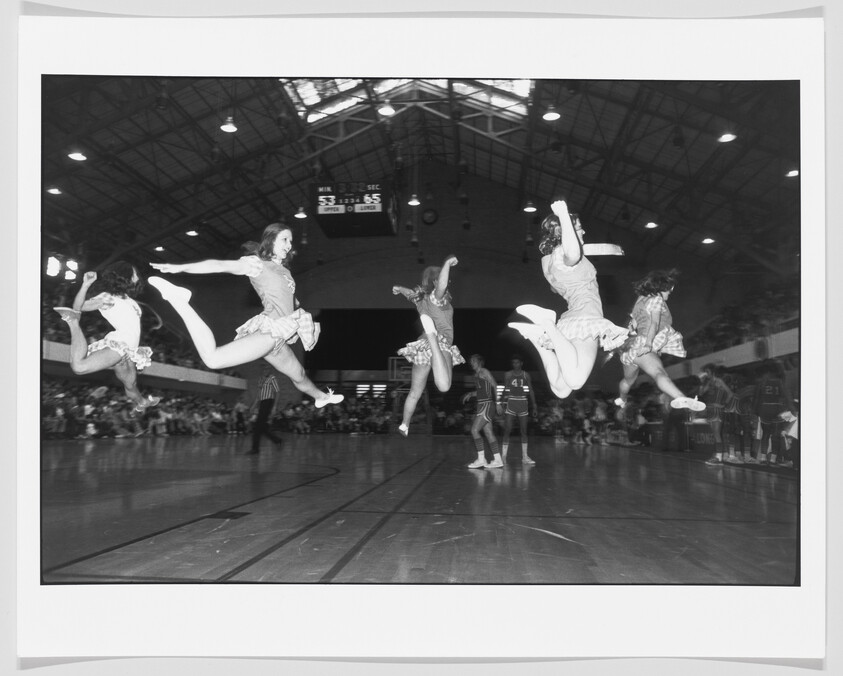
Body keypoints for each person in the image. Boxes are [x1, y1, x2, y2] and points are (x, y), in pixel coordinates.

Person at [148, 222, 343, 409]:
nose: (289, 245)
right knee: (213, 359)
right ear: (271, 240)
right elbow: (219, 265)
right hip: (270, 331)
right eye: (285, 239)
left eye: (291, 241)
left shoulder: (284, 271)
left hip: (279, 337)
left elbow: (286, 300)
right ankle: (179, 300)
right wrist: (182, 268)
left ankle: (321, 397)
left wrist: (298, 312)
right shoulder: (257, 264)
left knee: (299, 374)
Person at [508, 200, 628, 399]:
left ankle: (538, 336)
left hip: (574, 320)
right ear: (564, 233)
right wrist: (563, 214)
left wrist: (602, 249)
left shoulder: (551, 261)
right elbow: (572, 252)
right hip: (587, 319)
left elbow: (571, 255)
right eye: (578, 229)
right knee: (575, 381)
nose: (583, 232)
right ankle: (547, 323)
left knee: (561, 390)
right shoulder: (565, 256)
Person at [53, 263, 160, 413]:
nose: (137, 277)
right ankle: (73, 323)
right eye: (134, 273)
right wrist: (86, 285)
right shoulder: (108, 297)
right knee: (79, 367)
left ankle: (141, 402)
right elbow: (80, 306)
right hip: (120, 343)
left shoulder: (131, 301)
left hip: (129, 349)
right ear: (124, 275)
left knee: (130, 384)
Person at [392, 255, 465, 437]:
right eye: (444, 278)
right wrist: (447, 263)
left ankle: (405, 424)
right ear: (436, 280)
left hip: (421, 346)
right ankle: (432, 336)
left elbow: (411, 294)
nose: (447, 282)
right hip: (439, 343)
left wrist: (399, 288)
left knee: (415, 392)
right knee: (444, 386)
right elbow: (441, 287)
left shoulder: (421, 300)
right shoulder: (436, 298)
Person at [615, 269, 705, 414]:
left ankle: (622, 399)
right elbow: (654, 324)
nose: (669, 293)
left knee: (627, 381)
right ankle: (680, 397)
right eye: (669, 290)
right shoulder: (656, 300)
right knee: (659, 373)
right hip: (644, 344)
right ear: (660, 289)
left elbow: (632, 325)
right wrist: (649, 344)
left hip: (631, 349)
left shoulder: (640, 300)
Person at [461, 354, 504, 469]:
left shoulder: (484, 371)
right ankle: (498, 460)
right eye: (471, 361)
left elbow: (495, 385)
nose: (472, 363)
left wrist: (498, 403)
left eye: (474, 361)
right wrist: (471, 393)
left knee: (474, 430)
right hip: (483, 404)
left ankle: (481, 460)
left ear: (480, 362)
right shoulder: (476, 375)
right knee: (489, 433)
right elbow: (482, 392)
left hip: (487, 405)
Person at [752, 360, 797, 466]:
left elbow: (756, 399)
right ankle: (772, 460)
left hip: (764, 409)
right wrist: (792, 410)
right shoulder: (779, 382)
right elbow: (786, 397)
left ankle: (763, 458)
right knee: (775, 436)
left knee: (765, 435)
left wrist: (754, 412)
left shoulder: (761, 382)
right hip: (776, 409)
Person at [696, 363, 740, 466]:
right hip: (710, 410)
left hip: (717, 410)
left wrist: (723, 405)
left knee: (717, 434)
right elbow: (701, 393)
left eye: (707, 371)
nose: (705, 374)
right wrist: (702, 382)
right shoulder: (709, 382)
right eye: (705, 372)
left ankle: (719, 458)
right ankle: (718, 455)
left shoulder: (718, 381)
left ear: (712, 371)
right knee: (716, 434)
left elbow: (730, 393)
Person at [500, 355, 538, 465]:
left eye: (517, 362)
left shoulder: (526, 375)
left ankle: (525, 457)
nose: (515, 364)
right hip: (511, 402)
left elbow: (531, 390)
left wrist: (534, 405)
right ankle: (503, 457)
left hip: (522, 402)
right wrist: (502, 402)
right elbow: (505, 388)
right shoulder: (507, 374)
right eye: (513, 363)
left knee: (524, 431)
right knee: (507, 430)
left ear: (521, 363)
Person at [247, 367, 284, 454]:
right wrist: (253, 406)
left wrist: (274, 407)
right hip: (262, 403)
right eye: (264, 369)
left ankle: (255, 449)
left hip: (268, 402)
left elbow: (277, 392)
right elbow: (259, 395)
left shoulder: (272, 378)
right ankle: (277, 440)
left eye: (267, 369)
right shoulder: (260, 380)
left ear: (270, 370)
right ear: (262, 370)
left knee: (258, 426)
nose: (265, 371)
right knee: (261, 427)